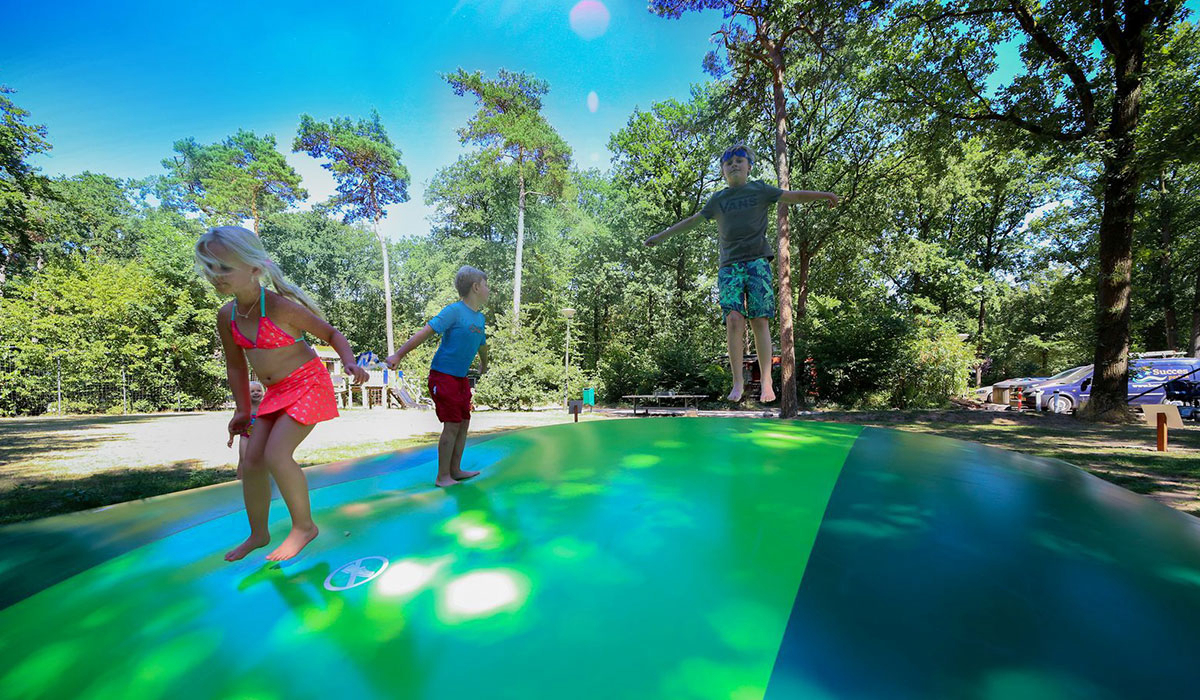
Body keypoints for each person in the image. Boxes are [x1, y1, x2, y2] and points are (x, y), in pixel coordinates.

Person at [196, 225, 369, 562]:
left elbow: (331, 333)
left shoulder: (279, 308)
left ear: (255, 268)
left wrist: (349, 362)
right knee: (251, 460)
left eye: (225, 267)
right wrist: (242, 410)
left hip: (308, 383)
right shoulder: (227, 315)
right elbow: (236, 366)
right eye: (210, 267)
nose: (216, 276)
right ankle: (258, 534)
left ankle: (304, 527)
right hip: (276, 392)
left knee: (277, 454)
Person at [645, 143, 839, 403]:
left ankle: (768, 380)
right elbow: (691, 221)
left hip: (757, 261)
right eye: (728, 163)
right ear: (723, 171)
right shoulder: (718, 200)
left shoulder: (760, 189)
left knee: (760, 319)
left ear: (749, 166)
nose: (734, 165)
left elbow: (793, 196)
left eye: (739, 160)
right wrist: (661, 235)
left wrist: (823, 194)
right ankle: (737, 381)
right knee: (734, 320)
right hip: (729, 266)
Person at [386, 266, 490, 487]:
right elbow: (425, 333)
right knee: (452, 424)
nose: (489, 289)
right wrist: (399, 355)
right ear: (476, 287)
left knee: (463, 422)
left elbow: (482, 346)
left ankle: (455, 470)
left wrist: (484, 364)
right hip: (443, 376)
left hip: (460, 379)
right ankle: (443, 476)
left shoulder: (479, 319)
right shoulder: (453, 312)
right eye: (486, 284)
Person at [235, 380, 265, 469]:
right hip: (245, 437)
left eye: (258, 391)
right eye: (252, 391)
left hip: (262, 438)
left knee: (262, 459)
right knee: (243, 459)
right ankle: (240, 479)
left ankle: (262, 477)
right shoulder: (242, 408)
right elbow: (234, 423)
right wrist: (231, 438)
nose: (256, 393)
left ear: (263, 392)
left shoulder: (265, 406)